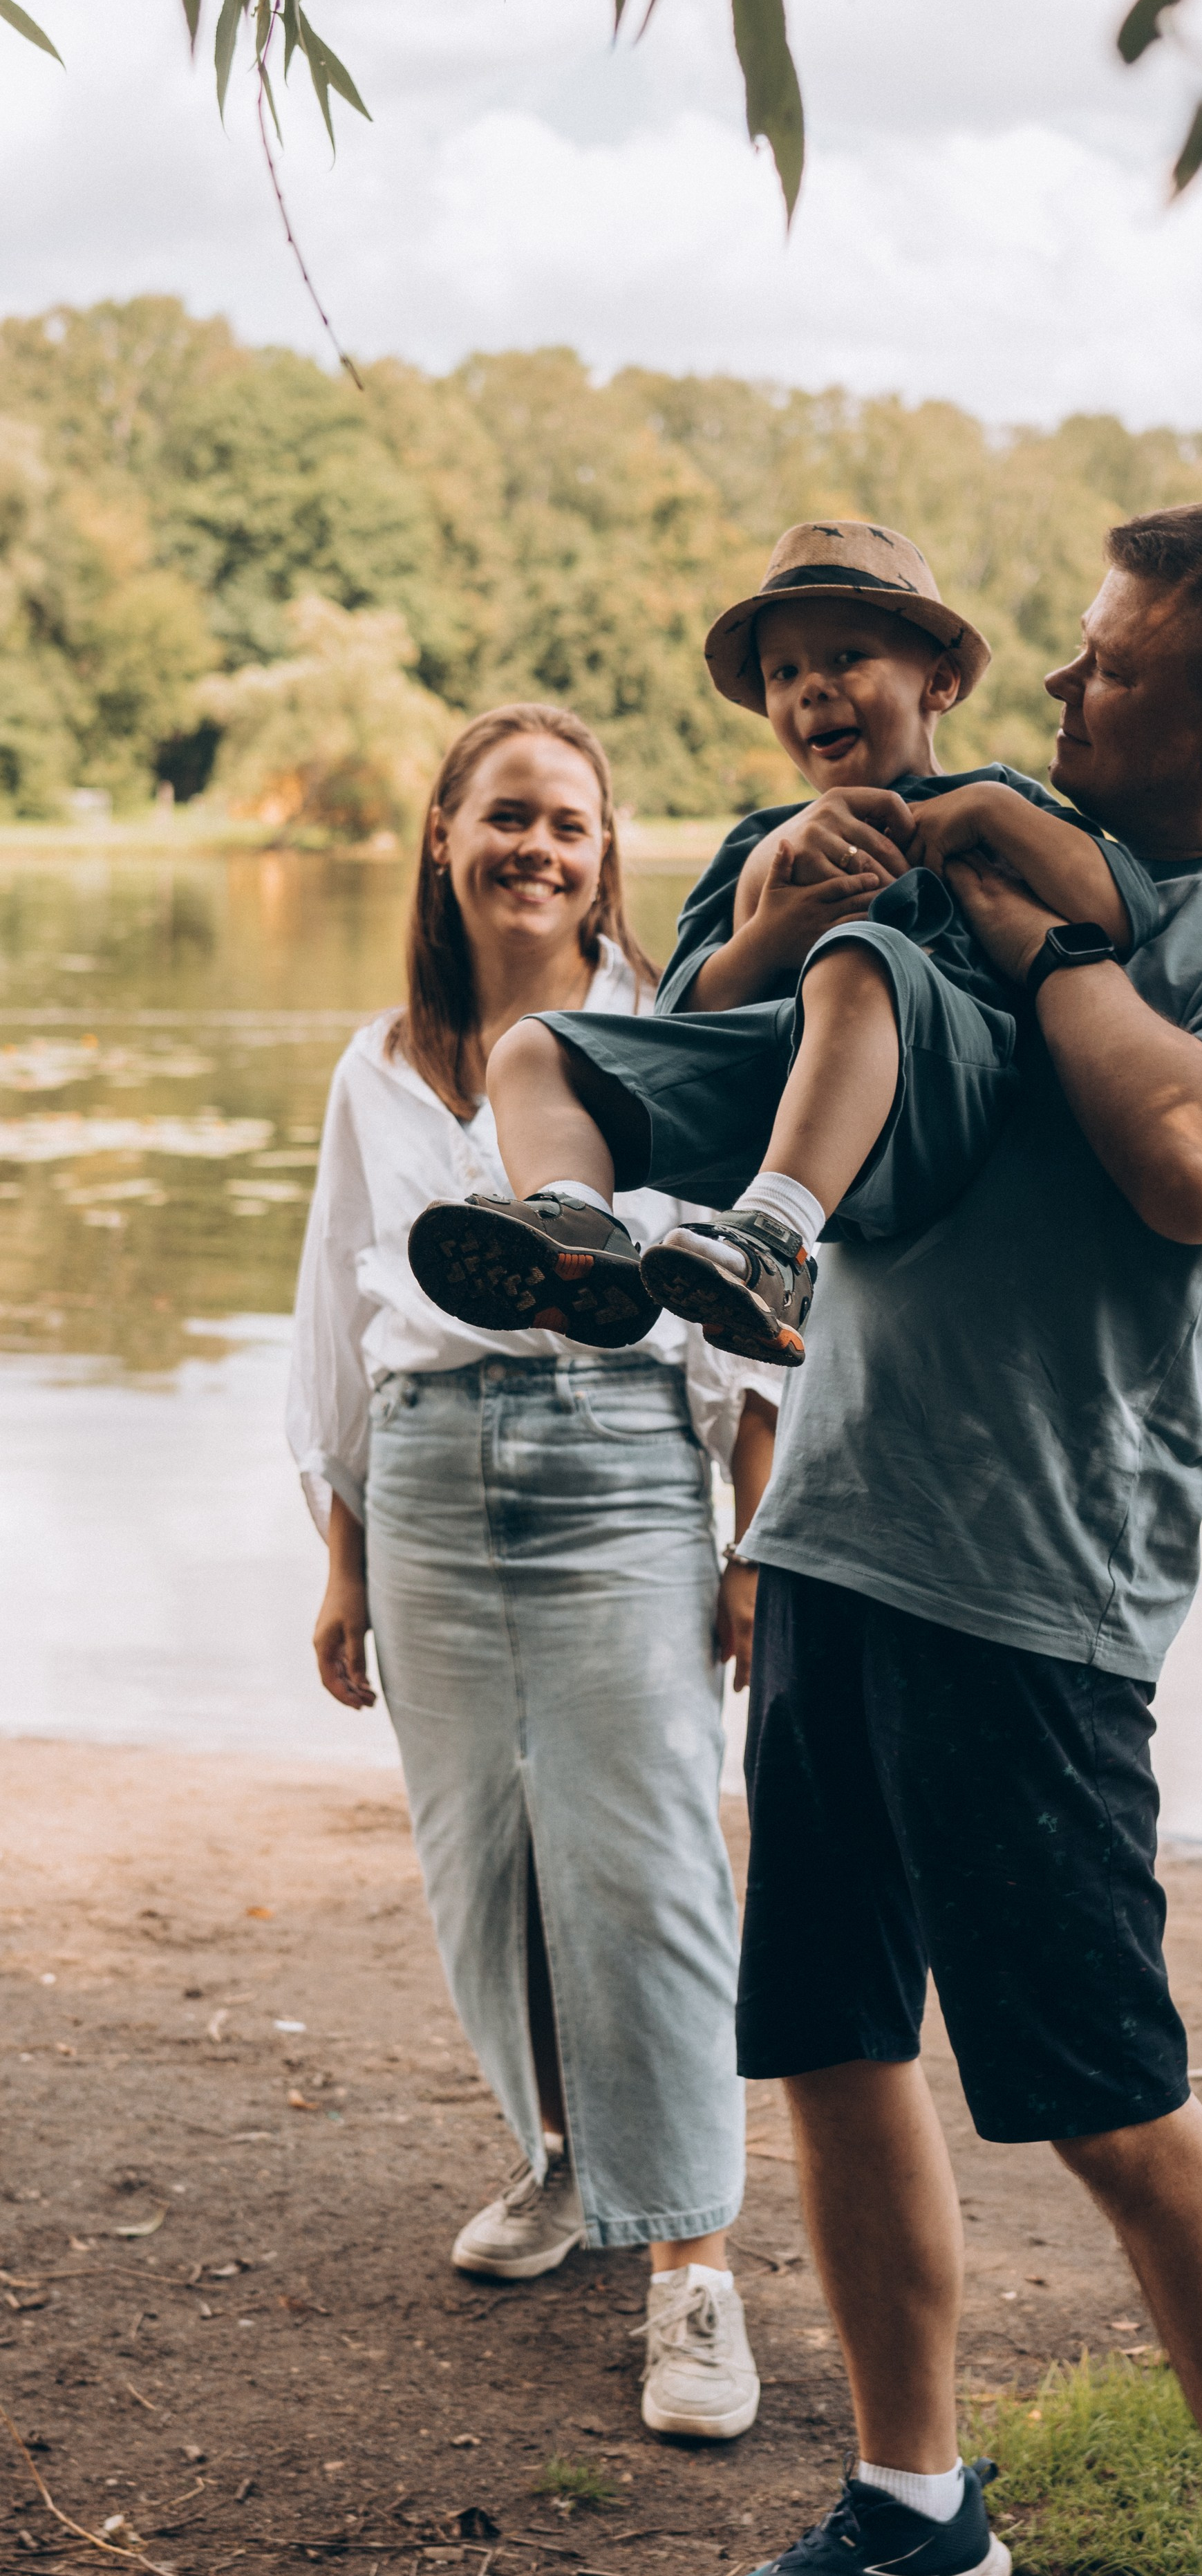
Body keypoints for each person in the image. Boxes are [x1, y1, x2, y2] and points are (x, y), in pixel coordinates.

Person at [676, 506, 1202, 2576]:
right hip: (835, 1532)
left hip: (1036, 1588)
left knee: (1100, 2086)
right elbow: (737, 1053)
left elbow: (1195, 1168)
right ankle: (910, 2508)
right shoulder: (981, 846)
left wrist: (1043, 940)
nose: (1063, 690)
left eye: (1105, 663)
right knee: (825, 2036)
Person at [287, 702, 780, 2443]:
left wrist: (748, 1543)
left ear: (604, 852)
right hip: (424, 1481)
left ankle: (691, 2266)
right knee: (481, 1867)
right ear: (444, 836)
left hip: (617, 1468)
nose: (537, 849)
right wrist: (342, 1558)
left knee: (643, 1870)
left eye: (569, 822)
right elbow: (339, 1316)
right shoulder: (376, 1064)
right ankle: (566, 2158)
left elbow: (743, 1312)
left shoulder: (658, 1034)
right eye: (506, 814)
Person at [406, 519, 1161, 1366]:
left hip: (949, 1098)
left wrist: (986, 814)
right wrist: (768, 931)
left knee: (857, 960)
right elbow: (687, 1015)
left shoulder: (997, 802)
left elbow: (1124, 908)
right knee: (530, 1048)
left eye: (847, 658)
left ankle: (776, 1245)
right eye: (784, 673)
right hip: (785, 1104)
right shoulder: (762, 844)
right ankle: (580, 1228)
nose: (812, 689)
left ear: (940, 681)